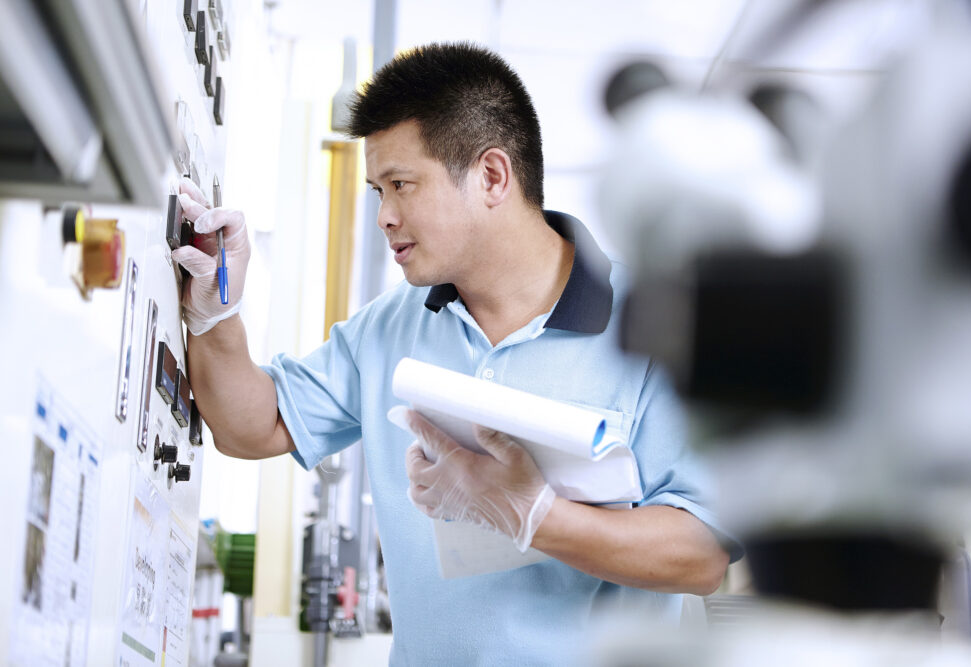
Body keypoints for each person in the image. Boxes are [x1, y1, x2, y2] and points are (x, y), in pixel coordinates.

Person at [172, 42, 737, 665]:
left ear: (492, 176)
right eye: (377, 191)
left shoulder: (655, 324)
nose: (384, 216)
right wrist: (217, 314)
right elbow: (254, 427)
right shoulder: (390, 326)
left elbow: (702, 556)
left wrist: (532, 514)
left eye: (401, 185)